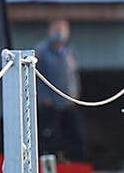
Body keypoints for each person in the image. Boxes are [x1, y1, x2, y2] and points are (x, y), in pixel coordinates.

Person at [35, 20, 87, 162]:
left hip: (68, 102)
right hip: (50, 104)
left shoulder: (69, 51)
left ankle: (78, 165)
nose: (59, 33)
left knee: (76, 135)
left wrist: (75, 94)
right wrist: (44, 98)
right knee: (50, 137)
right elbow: (37, 77)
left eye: (62, 29)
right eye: (56, 29)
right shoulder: (41, 52)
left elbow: (72, 75)